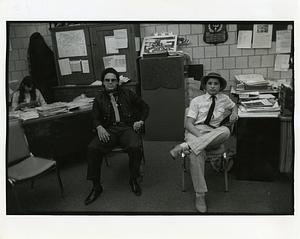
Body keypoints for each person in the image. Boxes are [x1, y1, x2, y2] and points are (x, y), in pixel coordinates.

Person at [170, 72, 238, 213]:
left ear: (220, 86)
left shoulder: (225, 99)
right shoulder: (197, 101)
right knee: (196, 153)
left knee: (225, 131)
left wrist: (234, 112)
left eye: (216, 84)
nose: (213, 86)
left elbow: (234, 106)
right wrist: (200, 137)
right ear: (205, 86)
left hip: (215, 133)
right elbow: (188, 124)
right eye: (210, 83)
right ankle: (200, 195)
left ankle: (184, 146)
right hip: (196, 131)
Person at [85, 68, 150, 205]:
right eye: (107, 80)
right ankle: (96, 187)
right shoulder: (99, 98)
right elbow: (94, 117)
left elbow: (145, 107)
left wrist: (141, 120)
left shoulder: (128, 93)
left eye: (113, 80)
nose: (110, 82)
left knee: (135, 147)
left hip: (127, 128)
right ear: (103, 82)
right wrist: (99, 127)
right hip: (109, 130)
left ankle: (133, 179)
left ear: (117, 82)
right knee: (92, 148)